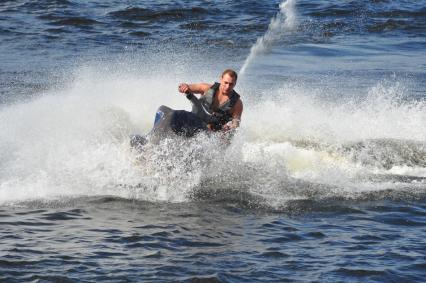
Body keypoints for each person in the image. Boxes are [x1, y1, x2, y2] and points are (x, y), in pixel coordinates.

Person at [178, 69, 243, 132]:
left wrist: (230, 127)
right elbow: (187, 87)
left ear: (235, 83)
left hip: (212, 134)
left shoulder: (237, 104)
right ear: (221, 79)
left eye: (231, 84)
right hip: (194, 122)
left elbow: (236, 123)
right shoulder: (206, 88)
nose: (227, 87)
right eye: (225, 83)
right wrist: (183, 87)